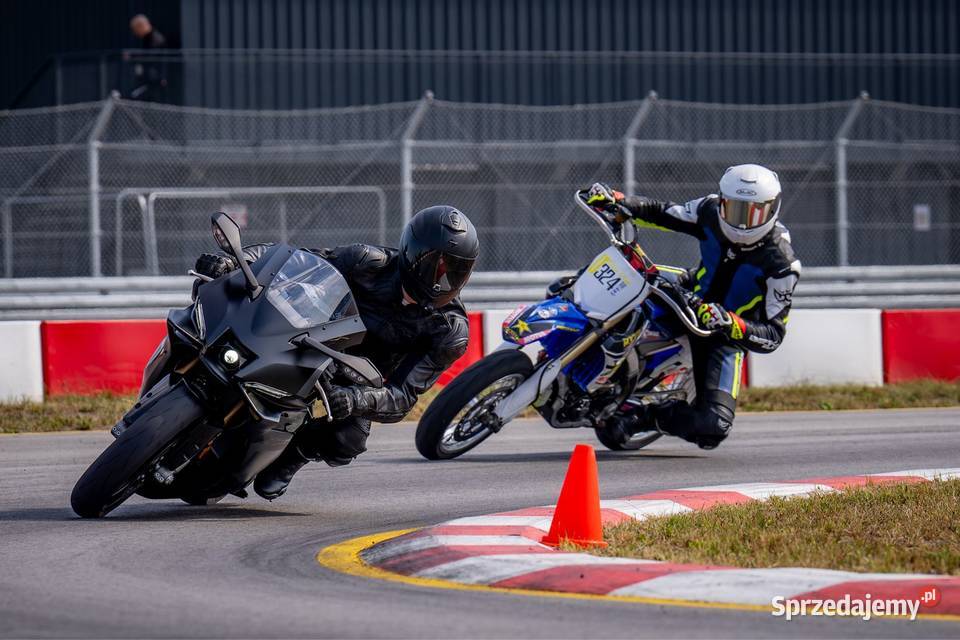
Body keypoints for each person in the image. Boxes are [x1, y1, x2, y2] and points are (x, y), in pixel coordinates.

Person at [194, 206, 479, 499]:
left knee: (349, 440)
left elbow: (403, 396)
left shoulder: (449, 331)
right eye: (437, 266)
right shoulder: (369, 262)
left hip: (362, 377)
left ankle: (294, 455)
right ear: (413, 252)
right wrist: (234, 263)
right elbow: (292, 260)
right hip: (314, 339)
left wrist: (358, 398)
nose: (442, 281)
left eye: (456, 271)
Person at [582, 164, 801, 449]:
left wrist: (731, 322)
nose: (742, 222)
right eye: (735, 209)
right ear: (722, 201)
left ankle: (648, 417)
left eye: (753, 213)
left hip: (723, 334)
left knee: (714, 427)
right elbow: (662, 212)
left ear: (772, 209)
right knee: (621, 274)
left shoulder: (783, 266)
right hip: (687, 293)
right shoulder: (709, 210)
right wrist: (619, 201)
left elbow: (773, 335)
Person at [128, 14, 175, 101]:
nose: (135, 33)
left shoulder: (155, 38)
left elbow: (150, 57)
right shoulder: (147, 39)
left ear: (140, 26)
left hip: (155, 80)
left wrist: (133, 56)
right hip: (149, 79)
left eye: (135, 30)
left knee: (135, 97)